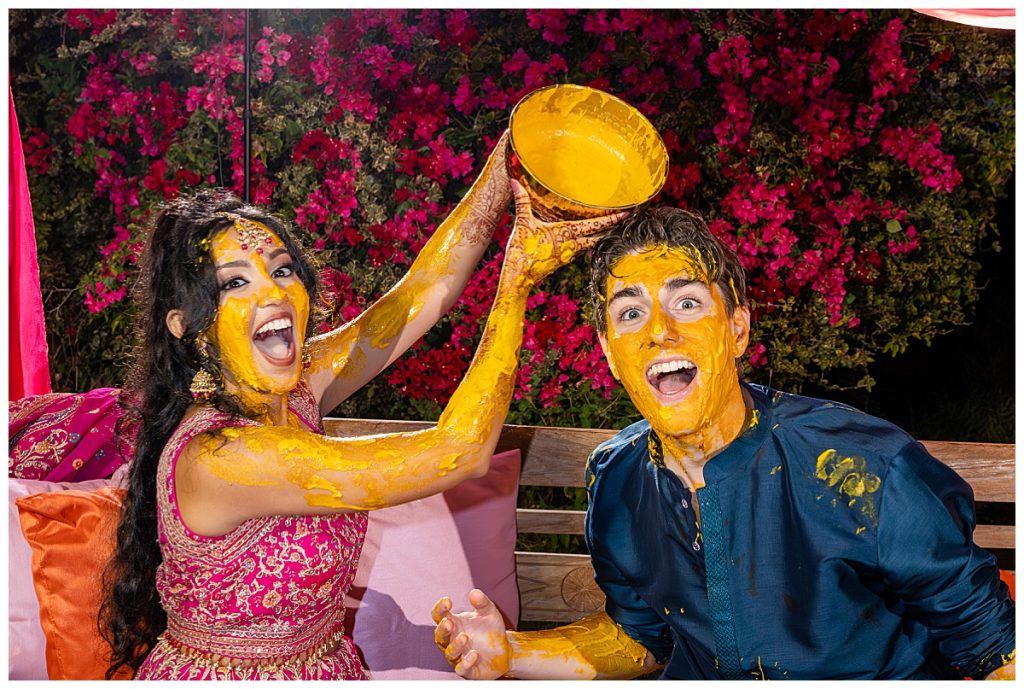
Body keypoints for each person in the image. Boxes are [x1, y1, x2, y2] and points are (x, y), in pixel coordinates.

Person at [99, 132, 626, 680]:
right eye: (235, 282)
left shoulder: (293, 391)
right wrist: (517, 280)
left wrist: (506, 165)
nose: (273, 293)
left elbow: (420, 294)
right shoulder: (223, 457)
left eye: (282, 270)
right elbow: (459, 451)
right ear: (187, 328)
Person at [432, 206, 1016, 680]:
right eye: (630, 313)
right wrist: (512, 652)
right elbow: (641, 637)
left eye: (687, 303)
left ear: (737, 329)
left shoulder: (862, 466)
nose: (660, 331)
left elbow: (994, 647)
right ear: (609, 353)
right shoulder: (617, 478)